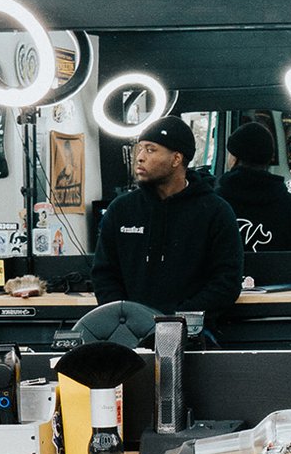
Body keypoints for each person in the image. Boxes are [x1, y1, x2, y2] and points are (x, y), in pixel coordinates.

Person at [89, 115, 243, 329]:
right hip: (128, 333)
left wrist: (176, 320)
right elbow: (104, 274)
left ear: (176, 159)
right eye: (139, 149)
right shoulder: (121, 210)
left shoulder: (215, 212)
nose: (140, 157)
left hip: (191, 333)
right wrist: (126, 319)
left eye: (151, 150)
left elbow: (226, 282)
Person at [217, 118, 291, 280]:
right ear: (268, 159)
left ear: (234, 158)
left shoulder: (214, 204)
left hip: (223, 301)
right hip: (282, 301)